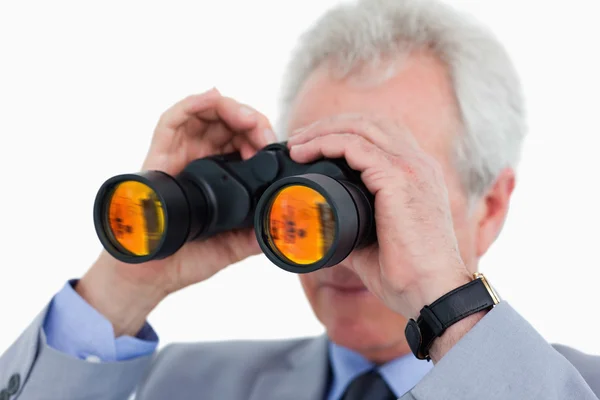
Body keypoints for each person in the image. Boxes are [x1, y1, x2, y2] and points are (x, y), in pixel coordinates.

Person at [1, 0, 599, 398]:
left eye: (382, 186)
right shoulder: (180, 385)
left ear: (490, 206)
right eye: (314, 189)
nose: (338, 253)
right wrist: (127, 282)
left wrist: (448, 307)